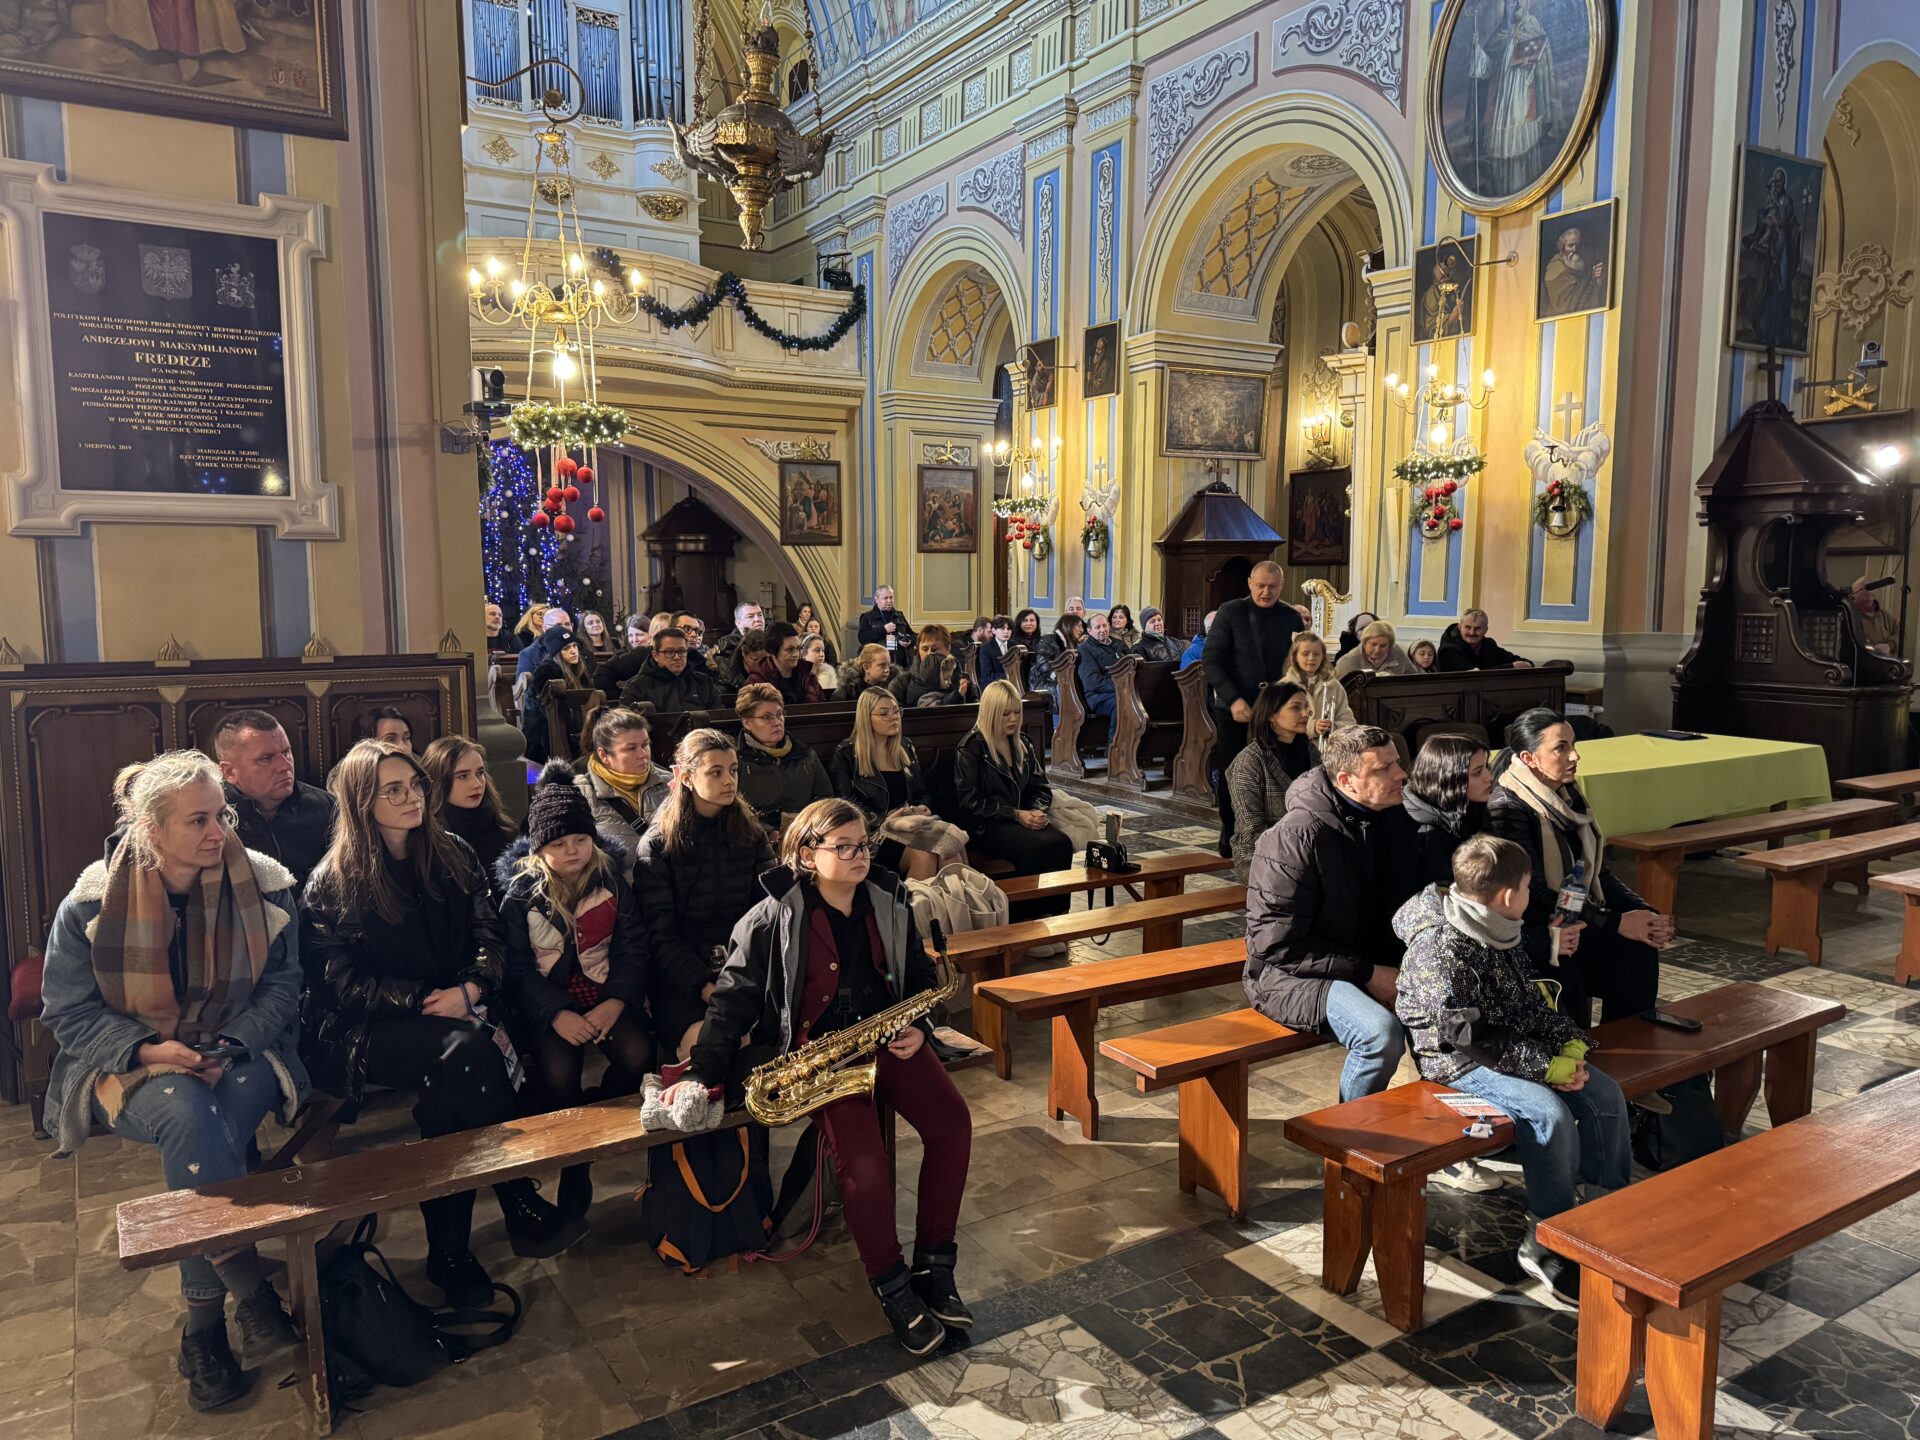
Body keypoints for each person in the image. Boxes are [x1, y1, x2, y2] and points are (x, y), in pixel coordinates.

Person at [41, 751, 309, 1411]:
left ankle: (205, 1331)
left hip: (240, 1050)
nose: (218, 831)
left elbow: (283, 987)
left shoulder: (266, 886)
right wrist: (151, 1048)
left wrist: (228, 1044)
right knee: (189, 1111)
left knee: (211, 1121)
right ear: (150, 829)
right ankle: (241, 1294)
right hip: (130, 1062)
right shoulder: (91, 903)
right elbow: (68, 1012)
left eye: (222, 816)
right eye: (198, 820)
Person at [665, 799, 973, 1353]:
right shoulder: (770, 917)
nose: (860, 856)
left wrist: (920, 1027)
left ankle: (935, 1265)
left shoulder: (889, 899)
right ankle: (891, 1283)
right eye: (844, 847)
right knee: (865, 1166)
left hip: (889, 1039)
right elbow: (731, 1002)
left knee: (952, 1125)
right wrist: (701, 1074)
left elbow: (921, 978)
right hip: (821, 1060)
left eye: (864, 845)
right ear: (808, 855)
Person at [301, 741, 585, 1311]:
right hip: (371, 1029)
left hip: (459, 1012)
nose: (411, 798)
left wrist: (472, 989)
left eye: (414, 785)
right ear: (361, 802)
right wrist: (425, 1001)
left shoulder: (451, 852)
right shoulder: (333, 880)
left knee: (454, 1084)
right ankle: (513, 1195)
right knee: (467, 1051)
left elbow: (488, 935)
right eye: (393, 790)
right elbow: (339, 985)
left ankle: (450, 1251)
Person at [1394, 834, 1630, 1303]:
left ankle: (1603, 1214)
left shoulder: (1497, 924)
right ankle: (1546, 1241)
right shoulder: (1440, 945)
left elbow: (1528, 1001)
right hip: (1454, 1059)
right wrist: (1547, 1069)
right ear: (1507, 896)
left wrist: (1569, 1042)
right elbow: (1467, 1034)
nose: (1530, 894)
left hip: (1505, 1044)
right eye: (1526, 887)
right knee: (1547, 1114)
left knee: (1605, 1094)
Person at [498, 764, 653, 1222]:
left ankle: (598, 1112)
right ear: (539, 848)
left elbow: (632, 946)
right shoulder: (521, 894)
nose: (572, 851)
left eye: (581, 840)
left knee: (639, 1054)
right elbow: (518, 969)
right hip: (551, 1002)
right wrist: (555, 1013)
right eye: (558, 844)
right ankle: (574, 1164)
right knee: (557, 1073)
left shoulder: (611, 882)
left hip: (604, 992)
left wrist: (616, 1001)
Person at [1243, 725, 1417, 1102]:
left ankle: (1455, 1123)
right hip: (1292, 974)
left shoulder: (1395, 818)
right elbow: (1275, 945)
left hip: (1362, 960)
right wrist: (1368, 973)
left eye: (1397, 763)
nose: (1401, 774)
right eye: (1383, 768)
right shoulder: (1295, 837)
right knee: (1380, 1036)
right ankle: (1349, 1133)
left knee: (1452, 1003)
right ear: (1346, 781)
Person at [1489, 709, 1671, 1024]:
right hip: (1538, 927)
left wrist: (1642, 912)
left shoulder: (1568, 796)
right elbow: (1536, 890)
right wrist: (1614, 922)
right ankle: (1594, 1046)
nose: (1575, 755)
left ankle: (1629, 1044)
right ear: (1529, 758)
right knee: (1599, 949)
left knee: (1639, 947)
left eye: (1573, 744)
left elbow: (1596, 873)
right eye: (1560, 748)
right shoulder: (1507, 806)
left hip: (1573, 916)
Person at [635, 728, 774, 1060]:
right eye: (716, 772)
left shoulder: (751, 833)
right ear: (686, 778)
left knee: (758, 1041)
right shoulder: (658, 844)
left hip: (744, 965)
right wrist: (705, 985)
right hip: (683, 976)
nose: (729, 781)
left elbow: (767, 912)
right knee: (706, 1045)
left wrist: (744, 977)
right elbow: (660, 934)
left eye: (733, 770)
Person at [1203, 562, 1307, 857]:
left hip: (1278, 709)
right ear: (1250, 583)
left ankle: (1282, 831)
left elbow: (1298, 663)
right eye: (1260, 585)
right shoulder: (1231, 611)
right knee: (1234, 771)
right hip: (1235, 706)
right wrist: (1233, 700)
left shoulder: (1290, 617)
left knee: (1285, 768)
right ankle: (1231, 831)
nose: (1266, 592)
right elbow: (1212, 660)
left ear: (1281, 585)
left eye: (1272, 586)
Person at [953, 679, 1074, 928]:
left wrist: (1037, 810)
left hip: (1019, 818)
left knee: (1061, 842)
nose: (1013, 719)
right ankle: (1021, 920)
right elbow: (969, 800)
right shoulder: (971, 747)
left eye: (1017, 712)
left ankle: (1055, 914)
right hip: (985, 825)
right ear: (991, 713)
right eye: (1005, 713)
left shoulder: (1023, 744)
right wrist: (1016, 814)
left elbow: (1040, 787)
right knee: (1036, 848)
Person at [212, 710, 337, 890]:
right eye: (266, 758)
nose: (285, 765)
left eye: (286, 752)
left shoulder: (327, 808)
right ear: (230, 772)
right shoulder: (212, 817)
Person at [831, 689, 936, 877]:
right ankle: (912, 898)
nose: (894, 717)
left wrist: (922, 807)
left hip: (911, 825)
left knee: (950, 850)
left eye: (896, 711)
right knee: (924, 854)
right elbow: (845, 807)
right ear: (866, 718)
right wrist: (884, 819)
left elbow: (922, 793)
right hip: (875, 835)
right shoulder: (846, 753)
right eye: (884, 713)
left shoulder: (905, 747)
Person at [1224, 682, 1318, 880]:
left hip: (1310, 848)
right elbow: (1251, 830)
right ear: (1272, 715)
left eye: (1306, 707)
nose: (1305, 714)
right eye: (1295, 708)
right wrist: (1297, 854)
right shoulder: (1250, 761)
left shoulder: (1311, 752)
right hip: (1262, 855)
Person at [421, 734, 519, 890]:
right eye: (463, 776)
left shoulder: (500, 827)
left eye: (480, 773)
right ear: (438, 781)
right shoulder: (429, 841)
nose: (477, 784)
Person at [574, 707, 672, 860]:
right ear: (604, 755)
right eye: (631, 748)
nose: (643, 754)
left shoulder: (671, 784)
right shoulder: (580, 795)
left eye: (645, 745)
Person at [736, 683, 834, 833]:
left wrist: (808, 829)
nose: (777, 722)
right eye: (767, 717)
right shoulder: (737, 760)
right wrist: (768, 833)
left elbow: (825, 799)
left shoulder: (804, 754)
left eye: (779, 714)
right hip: (757, 838)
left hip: (806, 833)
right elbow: (735, 811)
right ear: (747, 723)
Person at [1403, 733, 1494, 889]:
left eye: (1486, 767)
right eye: (1477, 772)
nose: (1489, 777)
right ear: (1449, 779)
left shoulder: (1470, 806)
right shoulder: (1427, 836)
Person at [618, 625, 723, 713]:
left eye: (681, 651)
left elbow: (718, 717)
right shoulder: (637, 686)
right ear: (656, 655)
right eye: (669, 652)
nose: (677, 657)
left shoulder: (703, 682)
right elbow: (628, 725)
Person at [1280, 633, 1355, 740]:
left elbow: (1349, 722)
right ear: (1295, 656)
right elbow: (1280, 724)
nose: (1311, 658)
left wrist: (1333, 727)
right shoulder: (1283, 686)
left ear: (1322, 657)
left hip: (1327, 747)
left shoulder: (1334, 685)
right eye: (1305, 654)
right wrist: (1312, 727)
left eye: (1316, 654)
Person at [746, 620, 826, 705]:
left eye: (798, 648)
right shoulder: (757, 681)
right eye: (790, 650)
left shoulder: (807, 675)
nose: (796, 654)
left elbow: (823, 707)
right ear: (773, 652)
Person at [894, 625, 971, 707]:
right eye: (925, 649)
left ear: (948, 648)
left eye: (934, 650)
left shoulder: (965, 681)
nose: (929, 653)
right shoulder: (901, 684)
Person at [1437, 608, 1533, 671]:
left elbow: (1517, 660)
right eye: (1467, 627)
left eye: (1477, 628)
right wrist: (1512, 667)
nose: (1472, 633)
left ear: (1485, 630)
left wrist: (1527, 664)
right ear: (1460, 627)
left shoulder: (1488, 645)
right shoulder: (1448, 650)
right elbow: (1474, 675)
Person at [1076, 611, 1123, 738]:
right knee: (1123, 702)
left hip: (1121, 690)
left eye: (1104, 625)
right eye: (1097, 627)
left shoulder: (1118, 644)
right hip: (1096, 696)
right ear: (1089, 631)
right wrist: (1120, 686)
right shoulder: (1084, 649)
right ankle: (1115, 744)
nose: (1102, 630)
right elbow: (1092, 682)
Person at [710, 601, 766, 691]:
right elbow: (733, 681)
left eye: (760, 615)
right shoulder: (727, 647)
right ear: (738, 623)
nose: (757, 619)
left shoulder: (771, 641)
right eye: (750, 616)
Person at [1031, 613, 1085, 705]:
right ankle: (1064, 714)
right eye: (1079, 626)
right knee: (1066, 688)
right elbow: (1042, 662)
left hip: (1063, 680)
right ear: (1068, 625)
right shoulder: (1050, 638)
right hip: (1044, 681)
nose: (1082, 630)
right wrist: (1058, 676)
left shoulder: (1072, 643)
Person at [1335, 620, 1420, 678]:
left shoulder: (1397, 652)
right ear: (1364, 642)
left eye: (1383, 646)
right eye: (1373, 644)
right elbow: (1335, 691)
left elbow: (1414, 679)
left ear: (1390, 646)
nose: (1377, 651)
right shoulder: (1349, 661)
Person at [858, 584, 916, 658]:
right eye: (885, 598)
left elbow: (912, 634)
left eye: (891, 597)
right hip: (879, 659)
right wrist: (884, 630)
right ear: (876, 599)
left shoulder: (899, 615)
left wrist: (908, 641)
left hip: (901, 661)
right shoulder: (867, 617)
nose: (889, 601)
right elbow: (863, 638)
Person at [516, 606, 572, 681]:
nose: (564, 628)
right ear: (545, 628)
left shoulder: (580, 646)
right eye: (558, 625)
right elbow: (524, 685)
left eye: (567, 624)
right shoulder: (529, 654)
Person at [1850, 575, 1898, 653]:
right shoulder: (1849, 616)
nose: (1868, 592)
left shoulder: (1885, 616)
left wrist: (1890, 645)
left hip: (1884, 660)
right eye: (1862, 589)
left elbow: (1900, 633)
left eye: (1871, 588)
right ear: (1853, 594)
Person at [976, 615, 1013, 688]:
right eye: (1002, 628)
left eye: (1009, 629)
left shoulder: (1014, 646)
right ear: (994, 631)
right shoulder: (986, 648)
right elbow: (987, 676)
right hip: (993, 686)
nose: (1006, 632)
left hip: (1012, 684)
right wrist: (1009, 677)